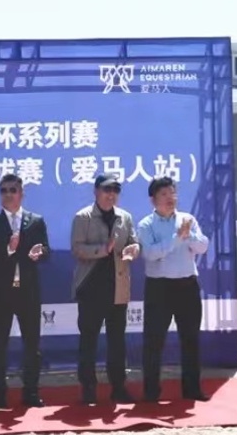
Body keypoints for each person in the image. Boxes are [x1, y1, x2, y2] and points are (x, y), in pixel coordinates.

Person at [137, 175, 210, 402]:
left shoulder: (187, 219)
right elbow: (151, 254)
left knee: (190, 339)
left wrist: (189, 236)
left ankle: (192, 389)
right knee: (154, 341)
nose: (170, 198)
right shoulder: (146, 224)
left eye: (172, 193)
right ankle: (151, 392)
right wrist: (177, 239)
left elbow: (202, 246)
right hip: (159, 288)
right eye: (164, 194)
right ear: (153, 199)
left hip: (187, 286)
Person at [0, 174, 49, 409]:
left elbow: (46, 250)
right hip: (0, 292)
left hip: (28, 291)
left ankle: (31, 392)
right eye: (4, 190)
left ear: (22, 193)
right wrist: (9, 249)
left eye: (13, 190)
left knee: (32, 345)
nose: (8, 194)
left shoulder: (35, 221)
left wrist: (39, 253)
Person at [70, 173, 139, 404]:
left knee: (117, 341)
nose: (111, 195)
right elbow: (77, 249)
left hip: (117, 287)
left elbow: (133, 242)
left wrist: (133, 250)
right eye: (107, 190)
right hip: (91, 287)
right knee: (88, 341)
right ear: (96, 192)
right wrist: (103, 250)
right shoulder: (83, 217)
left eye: (115, 190)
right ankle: (88, 388)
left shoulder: (124, 217)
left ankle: (118, 387)